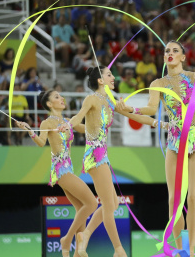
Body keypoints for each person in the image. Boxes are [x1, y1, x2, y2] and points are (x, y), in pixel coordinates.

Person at [116, 40, 195, 257]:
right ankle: (180, 250)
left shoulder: (193, 76)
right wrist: (130, 108)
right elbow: (152, 108)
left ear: (183, 57)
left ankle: (191, 249)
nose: (169, 54)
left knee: (193, 197)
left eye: (175, 51)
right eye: (166, 51)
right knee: (174, 199)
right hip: (175, 140)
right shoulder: (157, 82)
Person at [16, 90, 98, 257]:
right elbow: (41, 142)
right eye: (56, 97)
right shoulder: (46, 123)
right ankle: (66, 239)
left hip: (68, 168)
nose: (61, 98)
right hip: (61, 170)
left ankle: (76, 253)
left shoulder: (67, 121)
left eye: (61, 96)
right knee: (91, 203)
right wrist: (29, 130)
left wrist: (96, 115)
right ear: (49, 104)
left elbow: (87, 129)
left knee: (81, 208)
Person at [63, 66, 128, 257]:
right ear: (100, 80)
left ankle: (85, 235)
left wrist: (124, 104)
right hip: (95, 155)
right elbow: (80, 116)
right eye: (109, 74)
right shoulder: (91, 99)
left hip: (102, 154)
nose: (113, 76)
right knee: (109, 205)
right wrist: (69, 124)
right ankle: (118, 249)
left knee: (113, 203)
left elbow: (90, 127)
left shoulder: (108, 100)